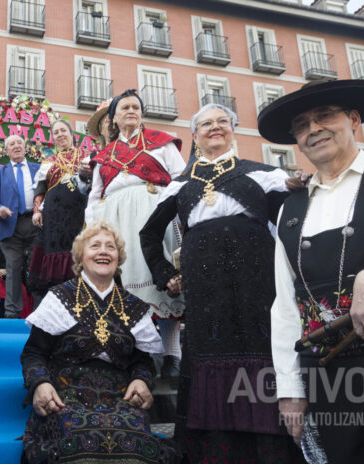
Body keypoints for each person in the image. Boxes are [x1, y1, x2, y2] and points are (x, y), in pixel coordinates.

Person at [140, 103, 302, 463]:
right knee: (207, 357)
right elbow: (148, 235)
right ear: (195, 136)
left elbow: (295, 220)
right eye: (206, 124)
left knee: (265, 353)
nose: (215, 128)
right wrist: (166, 275)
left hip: (259, 284)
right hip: (205, 288)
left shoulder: (265, 174)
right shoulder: (178, 185)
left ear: (233, 129)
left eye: (222, 122)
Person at [259, 79, 364, 463]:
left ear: (354, 119)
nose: (314, 129)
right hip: (326, 377)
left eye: (325, 115)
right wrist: (290, 389)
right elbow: (284, 306)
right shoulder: (289, 208)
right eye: (302, 124)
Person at [20, 220, 180, 464]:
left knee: (133, 441)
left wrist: (141, 380)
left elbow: (142, 360)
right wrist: (40, 384)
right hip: (66, 392)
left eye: (111, 247)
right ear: (81, 256)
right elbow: (33, 353)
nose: (103, 251)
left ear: (118, 258)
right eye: (95, 246)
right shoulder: (59, 297)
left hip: (120, 395)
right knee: (81, 438)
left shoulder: (134, 306)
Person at [85, 89, 185, 377]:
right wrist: (94, 227)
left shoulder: (162, 144)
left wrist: (176, 215)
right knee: (123, 283)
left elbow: (180, 180)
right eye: (125, 107)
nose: (132, 111)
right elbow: (94, 195)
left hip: (154, 215)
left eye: (136, 107)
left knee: (162, 281)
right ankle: (133, 351)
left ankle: (172, 355)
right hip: (113, 221)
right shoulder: (104, 156)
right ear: (113, 118)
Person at [28, 119, 88, 294]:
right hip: (55, 218)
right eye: (56, 132)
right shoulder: (48, 162)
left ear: (71, 134)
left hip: (81, 214)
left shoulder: (86, 156)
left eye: (63, 130)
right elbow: (40, 190)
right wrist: (37, 211)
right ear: (53, 138)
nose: (60, 134)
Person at [0, 135, 40, 318]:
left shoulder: (38, 169)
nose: (16, 146)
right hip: (10, 225)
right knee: (13, 270)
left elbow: (47, 193)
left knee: (37, 269)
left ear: (25, 148)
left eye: (19, 143)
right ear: (6, 151)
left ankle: (40, 313)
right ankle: (11, 314)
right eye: (11, 144)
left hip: (35, 223)